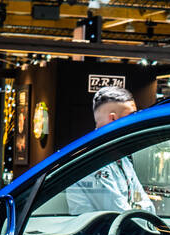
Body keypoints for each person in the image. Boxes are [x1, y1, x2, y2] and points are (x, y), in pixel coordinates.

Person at [63, 85, 154, 214]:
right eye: (130, 116)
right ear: (113, 119)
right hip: (96, 233)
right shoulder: (91, 160)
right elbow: (119, 212)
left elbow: (143, 200)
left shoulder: (120, 157)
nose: (135, 121)